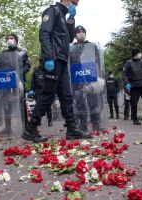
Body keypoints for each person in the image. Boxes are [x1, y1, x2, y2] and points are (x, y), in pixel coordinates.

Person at [23, 0, 92, 143]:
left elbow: (70, 38)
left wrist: (71, 20)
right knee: (48, 95)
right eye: (73, 2)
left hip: (62, 60)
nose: (75, 5)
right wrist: (48, 57)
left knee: (66, 96)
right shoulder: (52, 11)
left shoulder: (64, 16)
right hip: (53, 60)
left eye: (77, 3)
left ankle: (72, 129)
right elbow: (44, 33)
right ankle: (31, 129)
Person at [69, 25, 105, 132]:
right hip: (77, 78)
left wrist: (98, 76)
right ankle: (83, 126)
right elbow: (69, 64)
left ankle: (96, 125)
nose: (81, 33)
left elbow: (97, 62)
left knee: (94, 102)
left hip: (91, 77)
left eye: (82, 31)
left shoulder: (92, 46)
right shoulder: (71, 48)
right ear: (75, 35)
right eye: (78, 31)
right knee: (80, 103)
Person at [0, 33, 31, 135]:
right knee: (7, 105)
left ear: (16, 40)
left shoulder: (22, 52)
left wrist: (19, 72)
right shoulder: (3, 53)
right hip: (6, 82)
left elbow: (27, 66)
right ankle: (7, 128)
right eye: (8, 38)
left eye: (12, 38)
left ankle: (26, 127)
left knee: (21, 105)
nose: (9, 40)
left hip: (18, 81)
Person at [122, 48, 142, 125]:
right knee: (134, 104)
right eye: (139, 53)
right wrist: (127, 83)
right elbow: (124, 74)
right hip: (134, 86)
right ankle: (135, 119)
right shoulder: (128, 63)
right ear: (135, 54)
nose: (141, 54)